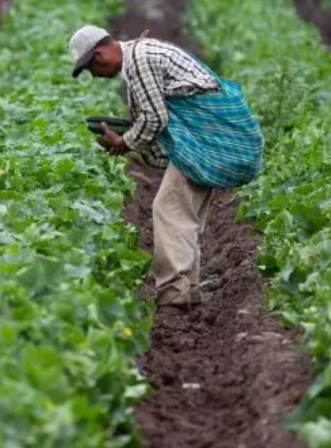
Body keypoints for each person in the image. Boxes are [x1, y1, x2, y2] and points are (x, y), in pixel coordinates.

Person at [68, 25, 263, 310]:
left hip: (203, 142)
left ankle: (175, 295)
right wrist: (130, 136)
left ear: (98, 54)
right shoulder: (141, 54)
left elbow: (154, 119)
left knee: (168, 210)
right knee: (184, 214)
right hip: (204, 140)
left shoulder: (141, 60)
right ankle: (187, 290)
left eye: (90, 67)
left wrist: (124, 141)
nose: (94, 74)